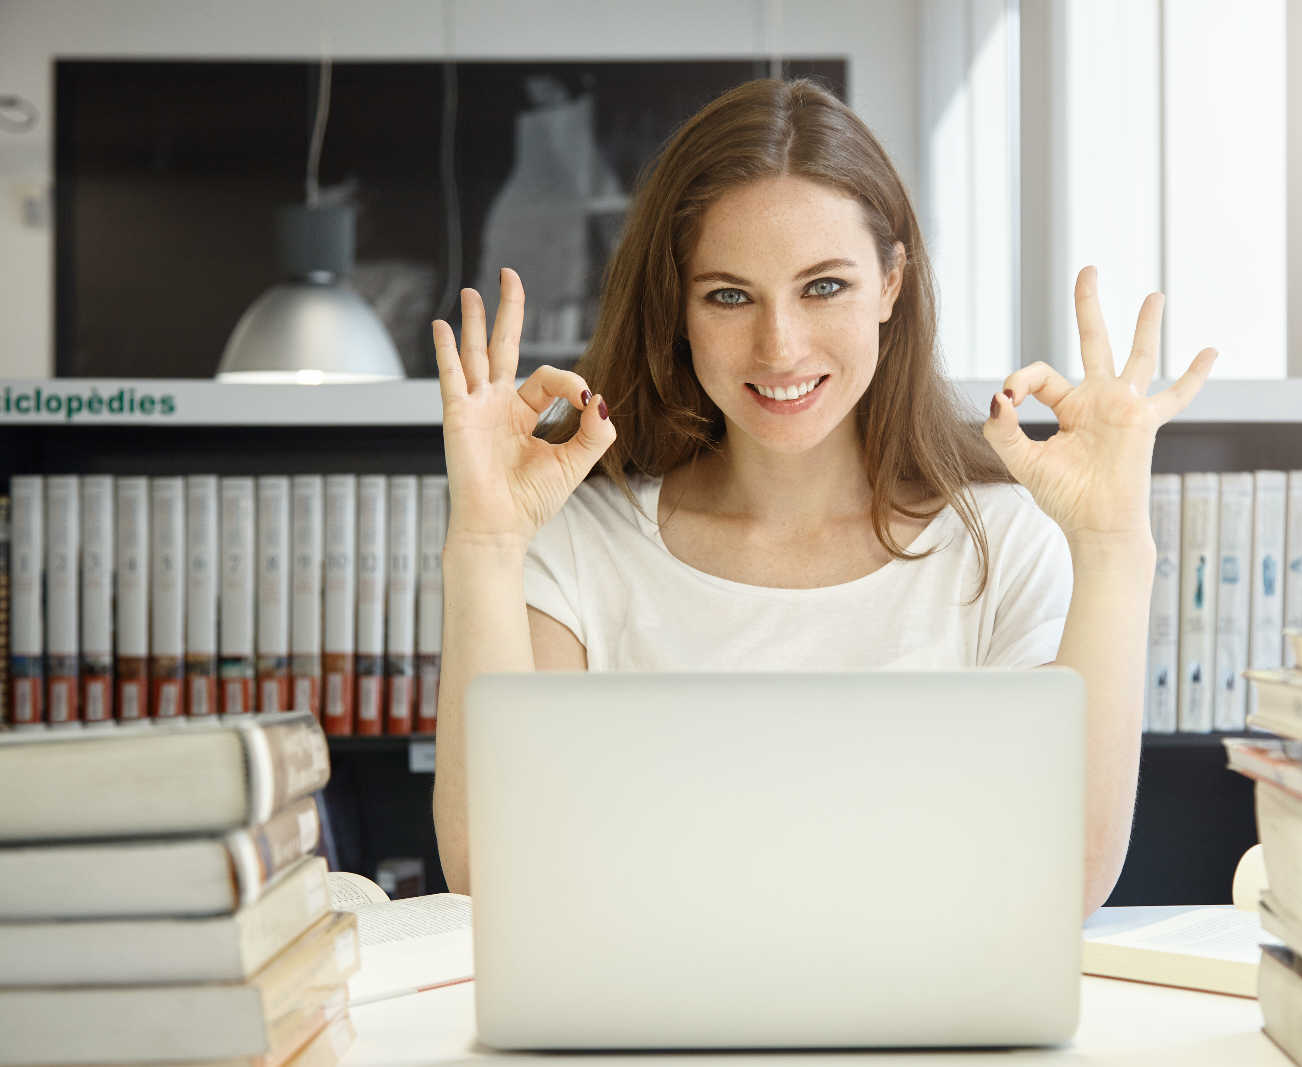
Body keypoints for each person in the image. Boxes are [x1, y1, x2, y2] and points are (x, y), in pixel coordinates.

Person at [430, 78, 1218, 913]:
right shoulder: (580, 545)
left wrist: (1111, 546)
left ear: (891, 282)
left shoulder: (1004, 541)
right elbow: (492, 876)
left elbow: (1070, 878)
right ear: (680, 309)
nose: (781, 345)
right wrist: (483, 545)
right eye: (729, 295)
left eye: (824, 287)